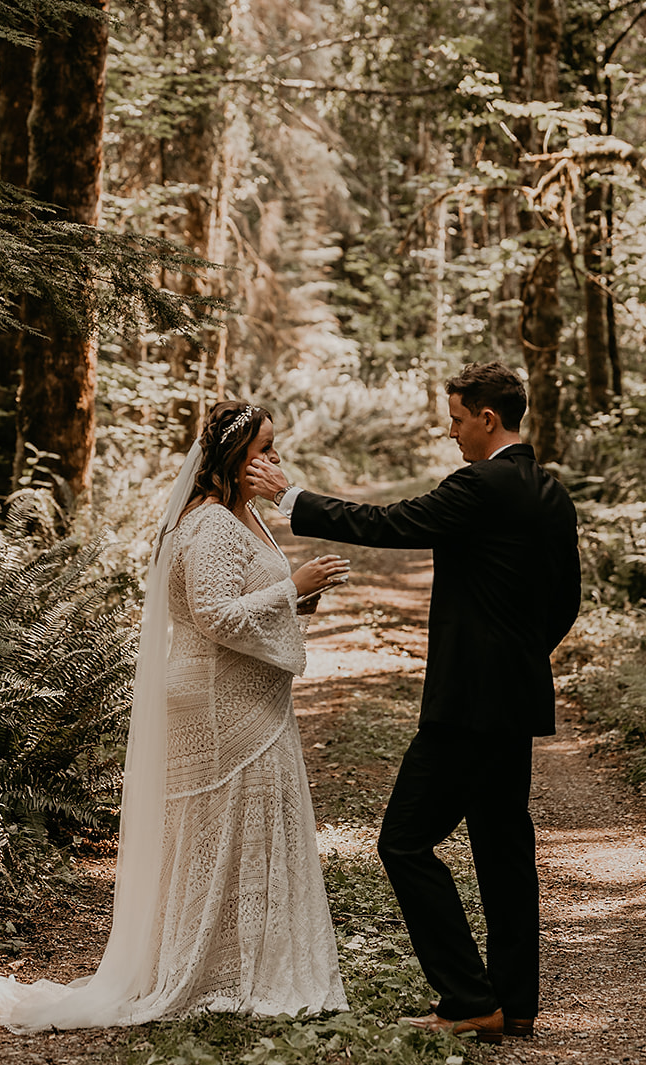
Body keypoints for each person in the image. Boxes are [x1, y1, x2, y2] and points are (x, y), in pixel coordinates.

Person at [0, 402, 350, 1030]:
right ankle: (199, 967)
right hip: (213, 698)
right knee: (215, 832)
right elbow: (213, 616)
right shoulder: (207, 527)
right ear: (232, 459)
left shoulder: (245, 516)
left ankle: (247, 964)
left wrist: (301, 592)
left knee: (251, 828)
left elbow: (255, 610)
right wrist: (294, 583)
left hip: (253, 696)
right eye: (264, 452)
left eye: (275, 449)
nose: (275, 461)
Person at [246, 361, 581, 1046]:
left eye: (457, 417)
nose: (450, 429)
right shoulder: (550, 491)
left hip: (467, 705)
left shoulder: (480, 485)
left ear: (489, 418)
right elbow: (565, 600)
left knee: (402, 840)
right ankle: (515, 1002)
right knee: (503, 846)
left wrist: (291, 496)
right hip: (514, 699)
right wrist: (518, 657)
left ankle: (467, 995)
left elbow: (391, 522)